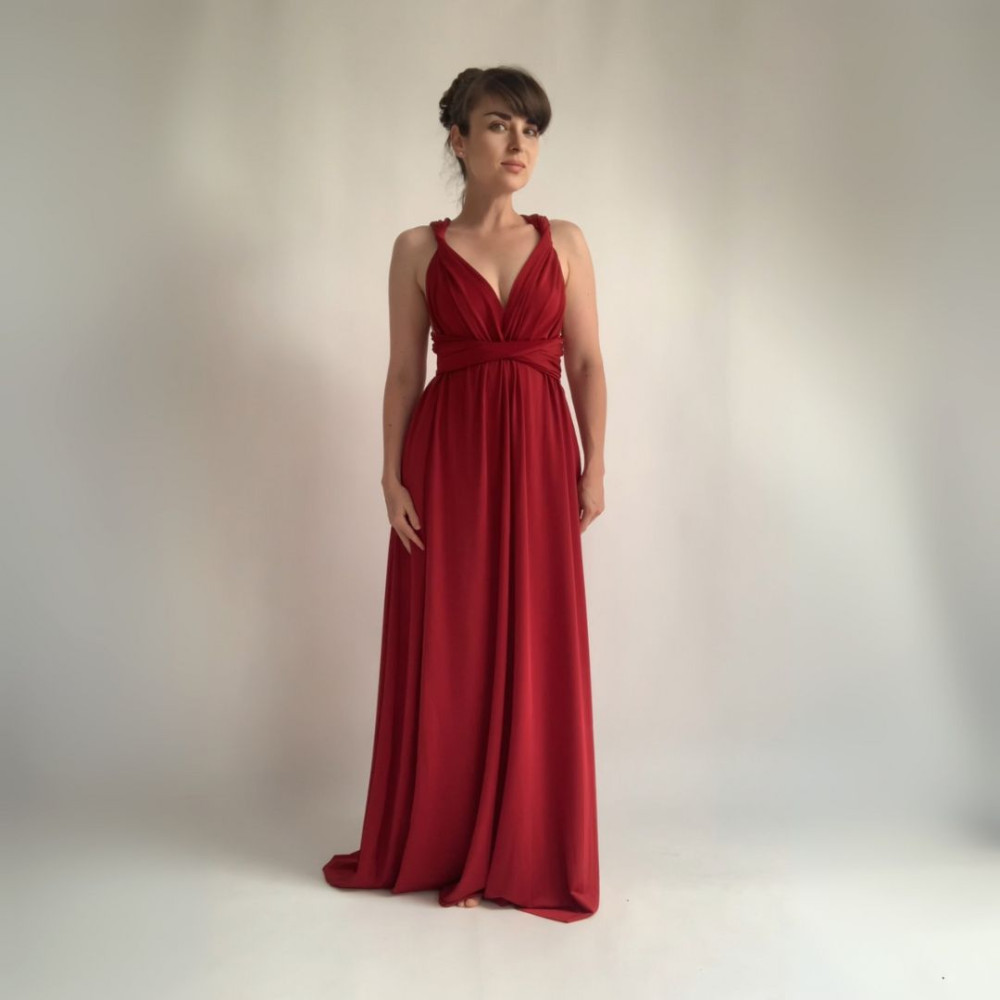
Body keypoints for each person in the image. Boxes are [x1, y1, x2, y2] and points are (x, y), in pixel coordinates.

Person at [322, 65, 607, 922]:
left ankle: (524, 843)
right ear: (457, 139)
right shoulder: (417, 249)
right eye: (497, 125)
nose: (519, 144)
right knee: (451, 642)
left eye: (531, 129)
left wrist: (595, 463)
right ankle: (448, 840)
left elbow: (587, 361)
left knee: (533, 637)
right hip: (445, 463)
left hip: (540, 458)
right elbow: (403, 371)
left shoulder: (566, 242)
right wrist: (390, 475)